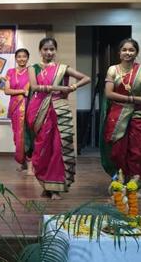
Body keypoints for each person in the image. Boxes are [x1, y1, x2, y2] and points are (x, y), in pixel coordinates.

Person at [26, 37, 90, 200]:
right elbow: (34, 87)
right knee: (41, 149)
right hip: (39, 110)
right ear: (40, 51)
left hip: (59, 111)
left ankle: (55, 187)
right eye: (45, 49)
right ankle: (46, 185)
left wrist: (72, 87)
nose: (49, 52)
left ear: (55, 51)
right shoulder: (33, 68)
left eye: (52, 49)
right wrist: (60, 88)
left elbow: (86, 78)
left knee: (58, 148)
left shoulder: (62, 68)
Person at [101, 38, 141, 191]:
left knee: (138, 149)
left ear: (136, 53)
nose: (127, 53)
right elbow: (108, 94)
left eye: (131, 50)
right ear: (119, 52)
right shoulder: (113, 70)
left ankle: (134, 185)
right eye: (124, 50)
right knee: (117, 150)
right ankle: (119, 181)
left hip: (138, 113)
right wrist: (133, 98)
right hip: (117, 113)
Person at [4, 48, 33, 174]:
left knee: (27, 135)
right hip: (15, 108)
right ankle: (23, 163)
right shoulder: (10, 72)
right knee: (17, 136)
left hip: (28, 107)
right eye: (19, 56)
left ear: (27, 58)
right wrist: (22, 91)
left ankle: (31, 166)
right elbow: (6, 91)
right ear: (16, 58)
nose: (21, 59)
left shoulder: (31, 72)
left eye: (24, 56)